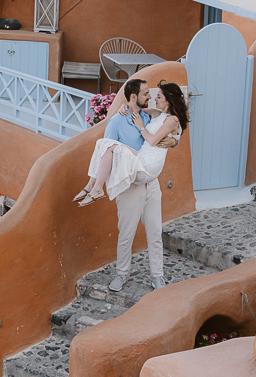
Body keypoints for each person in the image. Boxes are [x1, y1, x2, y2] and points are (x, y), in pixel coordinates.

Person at [74, 79, 189, 292]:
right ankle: (122, 274)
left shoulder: (147, 114)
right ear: (134, 96)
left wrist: (176, 141)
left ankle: (158, 276)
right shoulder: (117, 122)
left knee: (155, 232)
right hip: (131, 183)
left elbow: (172, 126)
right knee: (126, 233)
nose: (150, 96)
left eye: (152, 93)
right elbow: (106, 155)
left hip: (151, 181)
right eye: (146, 93)